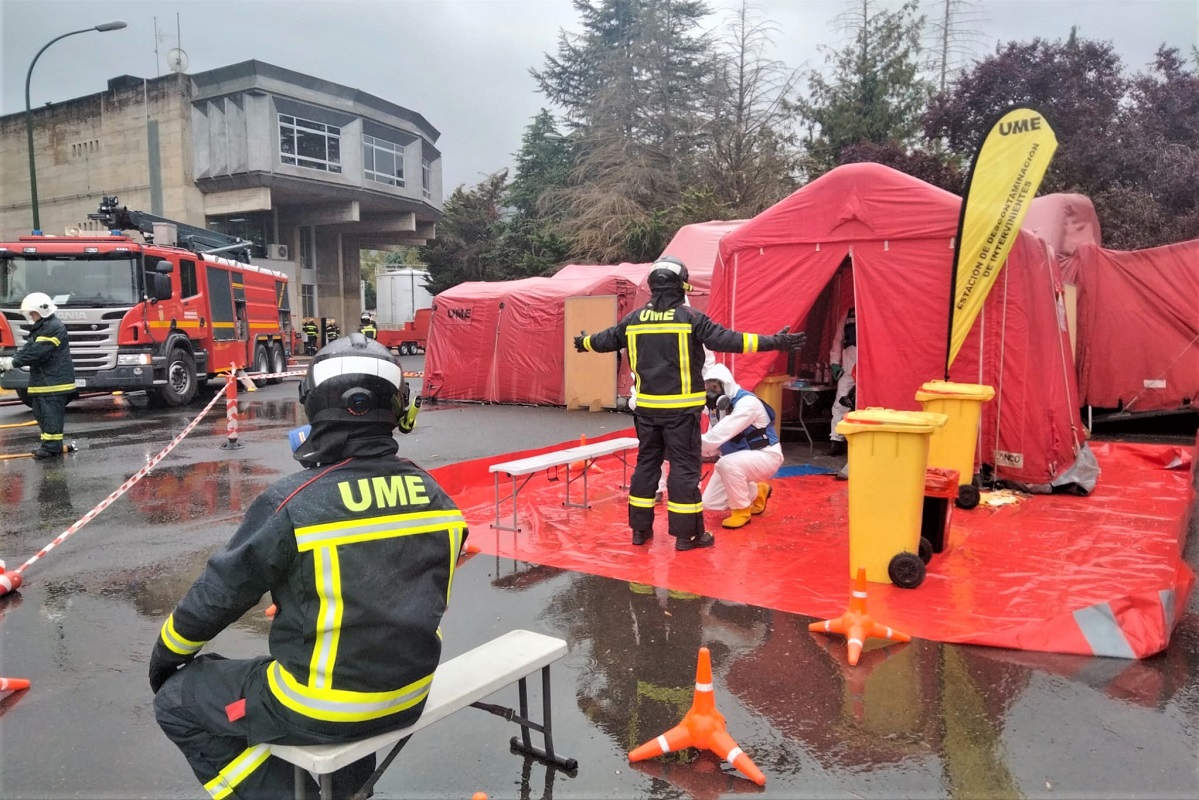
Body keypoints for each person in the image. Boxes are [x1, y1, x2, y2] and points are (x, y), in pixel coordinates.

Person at [151, 334, 466, 798]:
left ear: (313, 408)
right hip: (408, 695)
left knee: (177, 701)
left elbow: (219, 595)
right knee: (354, 674)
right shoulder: (439, 500)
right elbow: (403, 585)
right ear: (400, 411)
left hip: (320, 706)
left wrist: (166, 657)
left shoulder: (294, 502)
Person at [575, 256, 805, 551]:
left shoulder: (633, 320)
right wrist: (774, 342)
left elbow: (605, 340)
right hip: (682, 413)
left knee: (647, 466)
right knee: (684, 470)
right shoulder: (690, 319)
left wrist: (584, 342)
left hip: (646, 411)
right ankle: (688, 536)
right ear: (681, 286)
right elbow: (729, 340)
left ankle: (639, 531)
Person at [699, 363, 784, 529]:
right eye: (707, 388)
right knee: (710, 502)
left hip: (765, 455)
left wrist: (685, 445)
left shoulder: (747, 404)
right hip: (740, 458)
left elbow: (715, 437)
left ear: (726, 385)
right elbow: (712, 443)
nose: (710, 393)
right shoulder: (718, 409)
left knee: (725, 464)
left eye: (714, 387)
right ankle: (758, 492)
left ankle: (741, 511)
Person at [0, 292, 75, 459]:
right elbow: (28, 349)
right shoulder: (42, 326)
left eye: (32, 313)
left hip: (54, 383)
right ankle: (48, 445)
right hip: (44, 382)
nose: (31, 317)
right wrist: (9, 361)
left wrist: (12, 363)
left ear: (42, 311)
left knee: (50, 416)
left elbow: (37, 352)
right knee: (41, 413)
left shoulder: (53, 327)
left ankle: (51, 448)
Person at [828, 307, 857, 457]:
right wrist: (834, 362)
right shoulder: (848, 313)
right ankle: (836, 439)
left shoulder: (881, 311)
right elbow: (838, 339)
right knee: (841, 403)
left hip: (873, 367)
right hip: (849, 366)